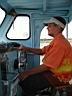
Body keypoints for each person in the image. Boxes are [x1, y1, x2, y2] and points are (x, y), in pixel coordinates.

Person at [18, 16, 72, 96]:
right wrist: (27, 49)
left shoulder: (60, 44)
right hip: (55, 72)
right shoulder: (57, 40)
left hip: (61, 76)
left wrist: (27, 73)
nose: (47, 28)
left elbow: (47, 66)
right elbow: (42, 51)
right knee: (30, 76)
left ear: (58, 27)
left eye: (50, 26)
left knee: (26, 82)